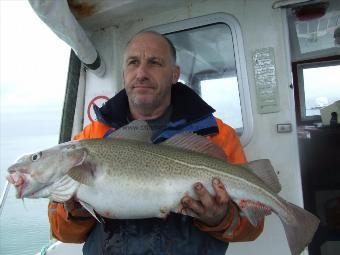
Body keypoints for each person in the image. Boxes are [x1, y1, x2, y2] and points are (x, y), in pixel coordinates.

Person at [48, 31, 264, 254]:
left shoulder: (215, 135)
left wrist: (221, 218)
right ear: (124, 74)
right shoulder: (90, 139)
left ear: (174, 74)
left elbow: (252, 226)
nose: (141, 73)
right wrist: (76, 211)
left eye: (154, 63)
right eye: (133, 63)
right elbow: (61, 232)